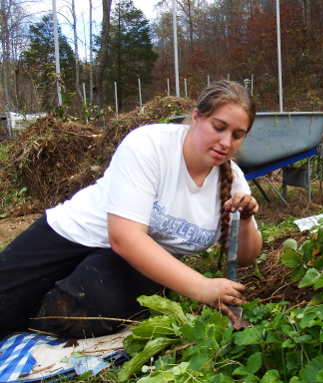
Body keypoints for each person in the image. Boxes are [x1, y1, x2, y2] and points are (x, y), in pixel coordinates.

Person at [0, 80, 263, 339]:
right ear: (196, 117)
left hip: (137, 264)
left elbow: (245, 258)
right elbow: (124, 237)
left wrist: (247, 219)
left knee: (75, 312)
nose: (226, 142)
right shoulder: (149, 145)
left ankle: (40, 318)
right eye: (219, 127)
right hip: (72, 236)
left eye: (237, 135)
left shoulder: (234, 181)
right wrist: (202, 287)